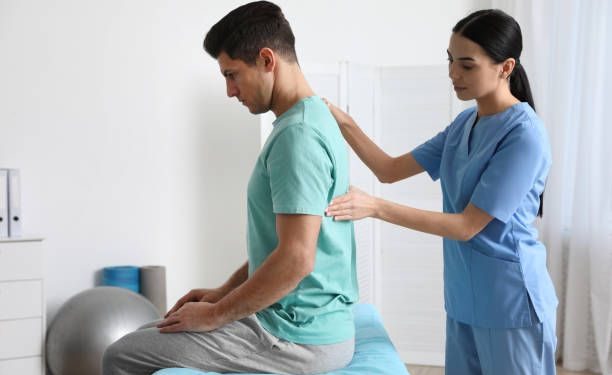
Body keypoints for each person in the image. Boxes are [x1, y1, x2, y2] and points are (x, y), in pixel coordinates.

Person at [102, 2, 357, 374]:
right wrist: (223, 293)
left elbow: (297, 259)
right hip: (303, 323)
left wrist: (216, 315)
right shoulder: (313, 116)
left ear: (267, 60)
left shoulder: (297, 137)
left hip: (297, 336)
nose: (229, 90)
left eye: (232, 74)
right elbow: (282, 248)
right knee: (150, 331)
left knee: (121, 355)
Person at [324, 9, 558, 375]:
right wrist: (341, 119)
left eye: (467, 65)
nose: (453, 74)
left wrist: (374, 208)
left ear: (505, 67)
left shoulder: (524, 134)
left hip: (509, 303)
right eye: (450, 61)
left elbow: (467, 225)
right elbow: (388, 169)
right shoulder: (465, 123)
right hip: (463, 299)